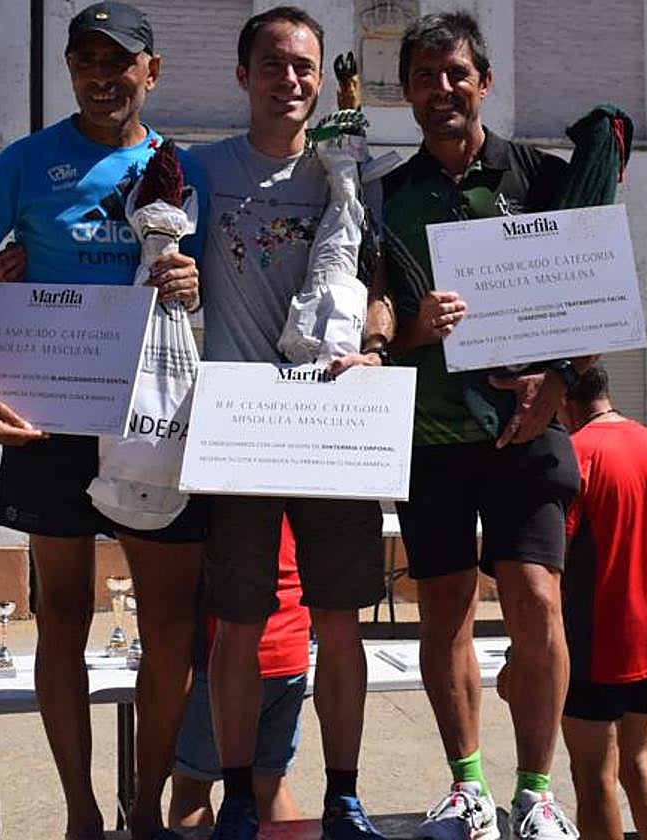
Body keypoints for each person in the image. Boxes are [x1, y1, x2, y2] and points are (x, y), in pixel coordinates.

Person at [0, 5, 208, 839]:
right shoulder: (24, 163)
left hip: (157, 421)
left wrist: (200, 289)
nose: (101, 74)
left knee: (169, 623)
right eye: (84, 58)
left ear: (151, 72)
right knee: (66, 618)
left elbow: (238, 289)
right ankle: (82, 813)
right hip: (52, 419)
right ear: (70, 70)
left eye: (120, 61)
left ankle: (146, 810)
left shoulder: (185, 169)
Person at [379, 12, 591, 839]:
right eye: (426, 77)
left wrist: (561, 378)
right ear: (407, 92)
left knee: (538, 599)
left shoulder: (542, 177)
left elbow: (593, 295)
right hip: (430, 438)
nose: (442, 90)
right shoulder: (385, 197)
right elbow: (370, 318)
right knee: (445, 610)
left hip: (526, 432)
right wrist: (412, 329)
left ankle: (536, 791)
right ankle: (468, 786)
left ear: (485, 82)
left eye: (456, 74)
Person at [188, 7, 393, 840]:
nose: (292, 81)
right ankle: (238, 796)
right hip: (239, 427)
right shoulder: (197, 173)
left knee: (337, 624)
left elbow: (383, 291)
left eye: (305, 68)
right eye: (273, 66)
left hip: (331, 425)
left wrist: (376, 346)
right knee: (237, 628)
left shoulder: (352, 173)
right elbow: (130, 261)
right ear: (243, 77)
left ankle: (343, 796)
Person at [553, 366, 647, 840]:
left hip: (597, 632)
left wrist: (524, 654)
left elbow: (555, 563)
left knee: (593, 775)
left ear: (564, 398)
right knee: (638, 760)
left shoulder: (576, 453)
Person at [168, 516, 308, 828]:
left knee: (192, 785)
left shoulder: (219, 482)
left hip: (222, 654)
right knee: (270, 786)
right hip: (290, 643)